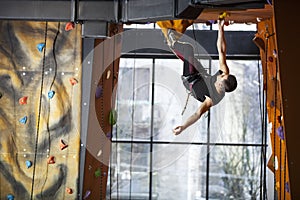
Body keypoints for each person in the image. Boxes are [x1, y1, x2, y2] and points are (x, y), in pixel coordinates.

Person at [162, 19, 237, 135]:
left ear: (220, 85)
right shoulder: (224, 73)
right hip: (201, 75)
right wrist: (221, 29)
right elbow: (222, 50)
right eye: (223, 74)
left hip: (191, 80)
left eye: (222, 76)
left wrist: (183, 127)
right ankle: (173, 46)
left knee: (188, 49)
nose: (221, 73)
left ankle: (172, 44)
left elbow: (197, 114)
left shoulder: (212, 99)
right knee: (189, 56)